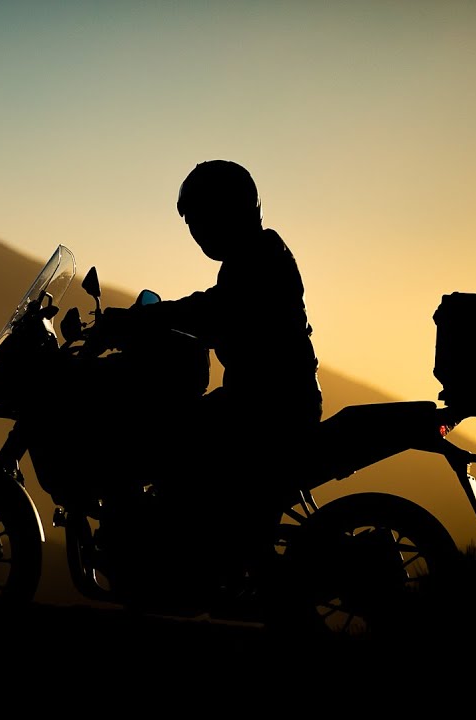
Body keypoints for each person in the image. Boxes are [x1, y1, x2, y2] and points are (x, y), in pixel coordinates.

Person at [95, 159, 323, 600]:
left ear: (229, 210)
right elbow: (215, 310)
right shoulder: (252, 255)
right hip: (264, 400)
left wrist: (140, 321)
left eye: (201, 218)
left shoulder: (260, 257)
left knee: (165, 440)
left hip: (269, 408)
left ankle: (180, 563)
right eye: (192, 223)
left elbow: (214, 310)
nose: (197, 231)